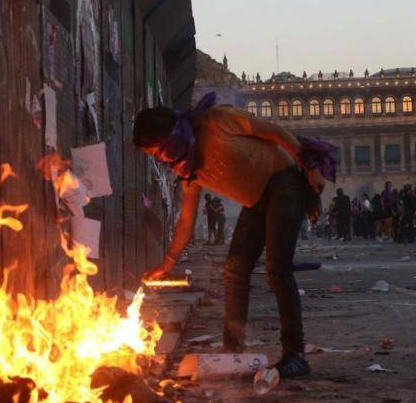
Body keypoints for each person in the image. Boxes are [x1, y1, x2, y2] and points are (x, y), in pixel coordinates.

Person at [135, 93, 334, 377]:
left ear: (169, 137)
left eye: (157, 153)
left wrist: (310, 167)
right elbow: (187, 220)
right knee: (234, 270)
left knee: (277, 270)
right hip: (256, 201)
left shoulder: (218, 120)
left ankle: (295, 354)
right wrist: (167, 264)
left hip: (286, 184)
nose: (161, 160)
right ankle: (233, 351)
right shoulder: (190, 171)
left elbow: (275, 132)